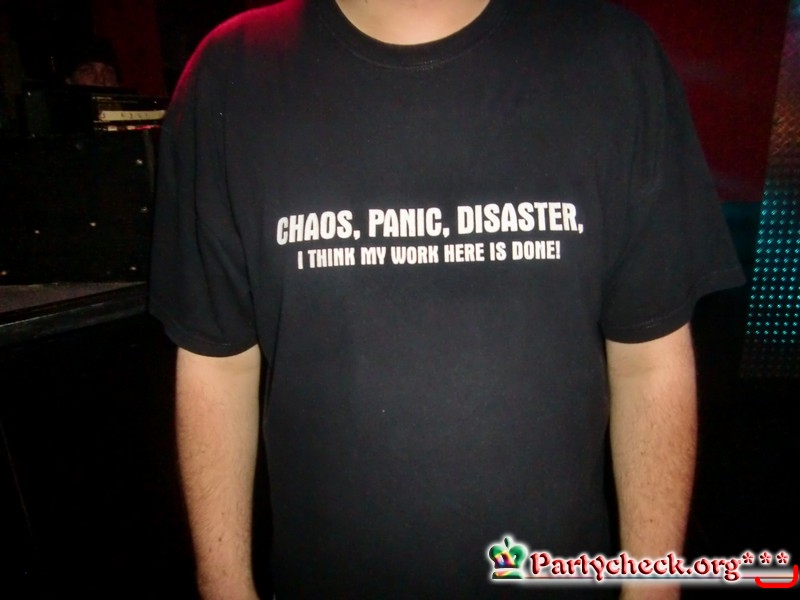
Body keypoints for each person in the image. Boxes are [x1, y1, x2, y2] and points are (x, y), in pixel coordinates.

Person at [148, 1, 745, 598]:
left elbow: (649, 358)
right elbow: (216, 361)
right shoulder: (233, 72)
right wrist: (223, 586)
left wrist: (653, 588)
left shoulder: (612, 57)